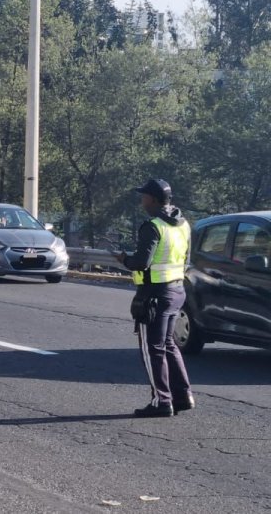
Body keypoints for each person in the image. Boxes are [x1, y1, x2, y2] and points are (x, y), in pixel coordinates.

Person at [116, 179, 194, 418]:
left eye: (144, 197)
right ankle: (183, 396)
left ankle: (162, 401)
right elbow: (186, 258)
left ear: (153, 199)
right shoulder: (183, 224)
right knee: (169, 344)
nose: (142, 201)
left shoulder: (153, 226)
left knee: (153, 349)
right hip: (177, 290)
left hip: (154, 294)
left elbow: (142, 262)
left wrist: (125, 261)